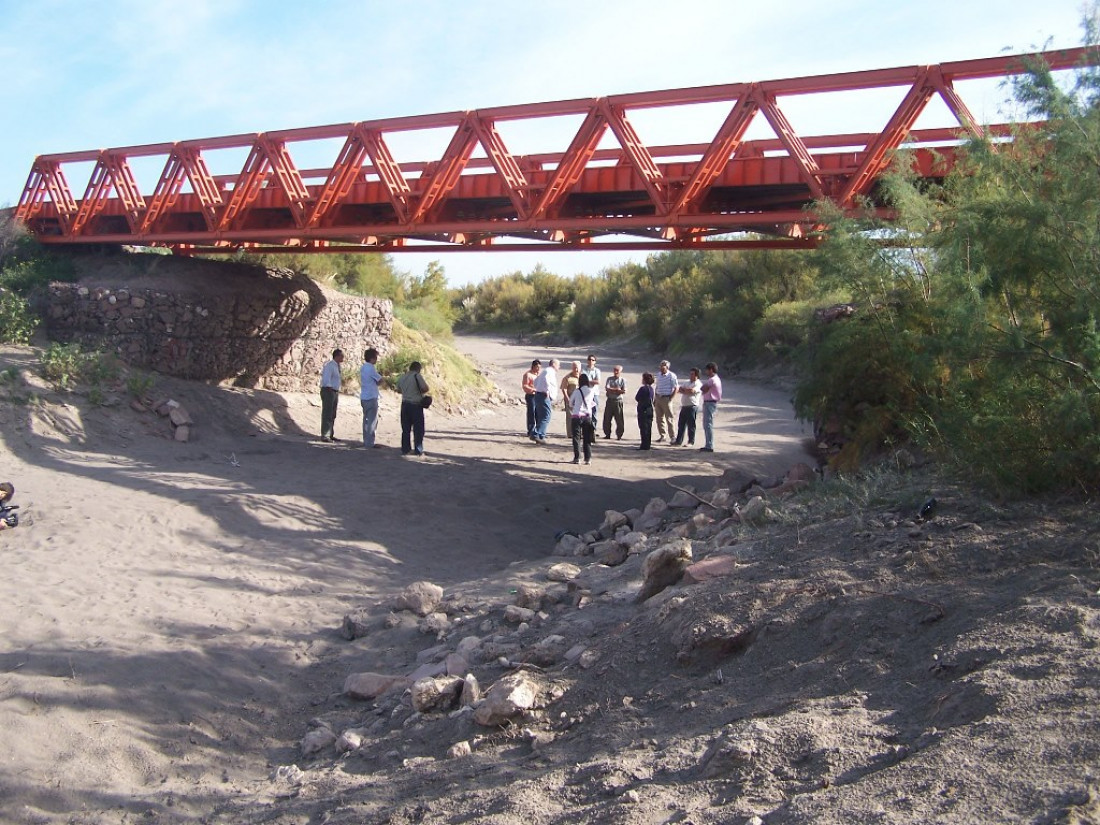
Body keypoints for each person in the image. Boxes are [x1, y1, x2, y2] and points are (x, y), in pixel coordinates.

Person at [397, 361, 430, 456]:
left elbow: (398, 390)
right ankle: (418, 449)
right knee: (418, 429)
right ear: (418, 369)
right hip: (415, 405)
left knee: (405, 429)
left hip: (404, 404)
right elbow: (425, 388)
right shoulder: (417, 376)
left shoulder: (403, 377)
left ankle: (405, 449)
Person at [569, 373, 596, 465]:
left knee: (576, 438)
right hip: (587, 416)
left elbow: (570, 403)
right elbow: (593, 403)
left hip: (577, 415)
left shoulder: (577, 391)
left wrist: (575, 405)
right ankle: (588, 458)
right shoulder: (591, 391)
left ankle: (577, 458)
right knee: (587, 438)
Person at [672, 367, 703, 446]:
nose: (690, 375)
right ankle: (679, 441)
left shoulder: (698, 383)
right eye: (690, 374)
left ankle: (691, 441)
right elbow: (679, 389)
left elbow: (692, 391)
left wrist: (686, 390)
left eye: (692, 374)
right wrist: (687, 390)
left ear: (696, 375)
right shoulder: (687, 382)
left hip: (692, 406)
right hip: (684, 405)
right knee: (681, 424)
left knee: (691, 425)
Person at [359, 348, 383, 448]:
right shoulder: (371, 368)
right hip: (371, 396)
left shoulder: (363, 367)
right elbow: (380, 380)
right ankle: (370, 443)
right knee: (372, 421)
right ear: (372, 358)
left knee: (366, 420)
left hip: (364, 396)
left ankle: (366, 441)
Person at [531, 358, 559, 443]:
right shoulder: (549, 371)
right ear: (554, 364)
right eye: (558, 365)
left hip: (539, 395)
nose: (559, 367)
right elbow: (546, 380)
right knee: (546, 416)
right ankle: (536, 434)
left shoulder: (546, 371)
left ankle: (540, 436)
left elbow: (535, 381)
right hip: (543, 395)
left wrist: (539, 388)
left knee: (542, 416)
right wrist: (546, 390)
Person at [320, 348, 344, 442]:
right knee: (327, 413)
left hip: (334, 391)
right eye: (341, 356)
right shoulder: (330, 366)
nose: (343, 358)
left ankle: (330, 433)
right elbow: (326, 378)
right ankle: (325, 434)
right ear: (337, 356)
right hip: (329, 391)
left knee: (332, 414)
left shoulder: (337, 366)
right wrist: (329, 388)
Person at [699, 362, 723, 452]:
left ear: (711, 370)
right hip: (711, 402)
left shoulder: (712, 379)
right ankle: (708, 444)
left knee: (707, 424)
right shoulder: (716, 379)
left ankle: (709, 445)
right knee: (708, 424)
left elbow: (703, 388)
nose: (706, 372)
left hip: (710, 402)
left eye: (707, 370)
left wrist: (704, 389)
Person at [653, 360, 678, 443]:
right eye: (660, 366)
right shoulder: (659, 375)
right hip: (658, 398)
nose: (661, 368)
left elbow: (676, 388)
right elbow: (657, 386)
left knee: (669, 418)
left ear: (667, 367)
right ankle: (662, 435)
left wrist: (671, 398)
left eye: (663, 366)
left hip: (666, 398)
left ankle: (673, 436)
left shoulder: (672, 375)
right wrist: (655, 397)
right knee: (659, 418)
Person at [602, 364, 626, 440]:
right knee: (607, 418)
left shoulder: (623, 380)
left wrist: (614, 390)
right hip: (609, 401)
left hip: (618, 401)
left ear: (620, 371)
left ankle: (619, 435)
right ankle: (607, 434)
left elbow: (623, 391)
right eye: (614, 370)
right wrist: (617, 390)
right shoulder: (609, 379)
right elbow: (607, 388)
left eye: (617, 371)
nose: (615, 372)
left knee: (619, 419)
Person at [559, 361, 582, 438]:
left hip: (581, 401)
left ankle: (579, 433)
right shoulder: (567, 377)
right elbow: (564, 388)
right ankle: (571, 433)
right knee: (570, 417)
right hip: (570, 399)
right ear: (572, 368)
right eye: (574, 368)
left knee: (580, 416)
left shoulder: (583, 376)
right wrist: (567, 398)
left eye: (577, 368)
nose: (576, 369)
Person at [635, 372, 656, 450]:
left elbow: (637, 398)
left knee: (643, 428)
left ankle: (644, 445)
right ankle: (647, 444)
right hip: (650, 409)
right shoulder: (651, 389)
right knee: (648, 427)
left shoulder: (643, 388)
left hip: (643, 409)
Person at [522, 359, 541, 438]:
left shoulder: (539, 374)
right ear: (533, 367)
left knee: (538, 413)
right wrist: (533, 389)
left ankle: (538, 430)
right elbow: (525, 385)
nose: (538, 369)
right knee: (531, 413)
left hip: (539, 396)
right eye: (537, 367)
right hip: (531, 395)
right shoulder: (528, 374)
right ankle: (530, 430)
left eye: (539, 367)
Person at [582, 354, 602, 424]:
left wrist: (587, 381)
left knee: (594, 411)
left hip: (594, 393)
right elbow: (581, 380)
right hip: (585, 393)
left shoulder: (597, 371)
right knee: (585, 410)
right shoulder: (583, 370)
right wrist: (591, 381)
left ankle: (593, 428)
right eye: (589, 359)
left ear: (595, 362)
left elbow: (597, 381)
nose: (591, 361)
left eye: (592, 360)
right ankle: (585, 428)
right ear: (587, 361)